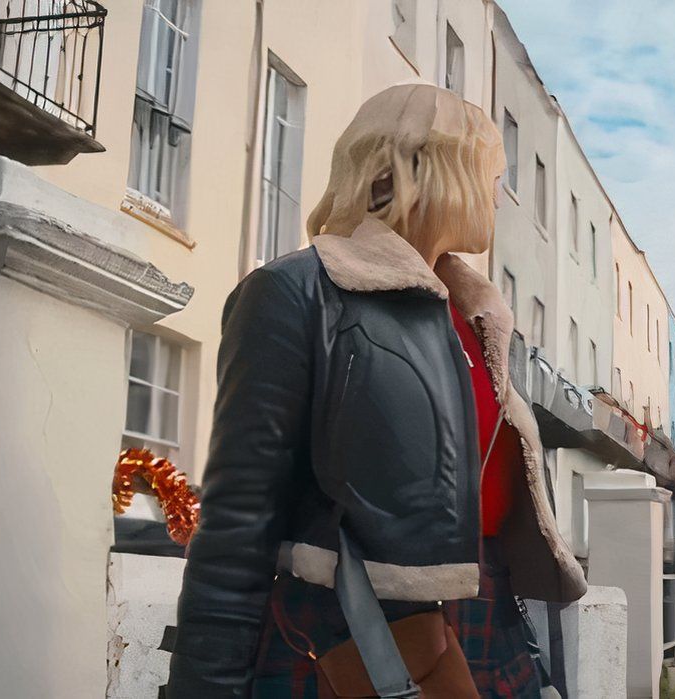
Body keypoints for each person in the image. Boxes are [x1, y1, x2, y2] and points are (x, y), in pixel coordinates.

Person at [167, 83, 586, 698]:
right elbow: (237, 523)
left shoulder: (478, 319)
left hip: (489, 630)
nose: (499, 192)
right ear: (428, 165)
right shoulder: (295, 293)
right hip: (350, 641)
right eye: (489, 171)